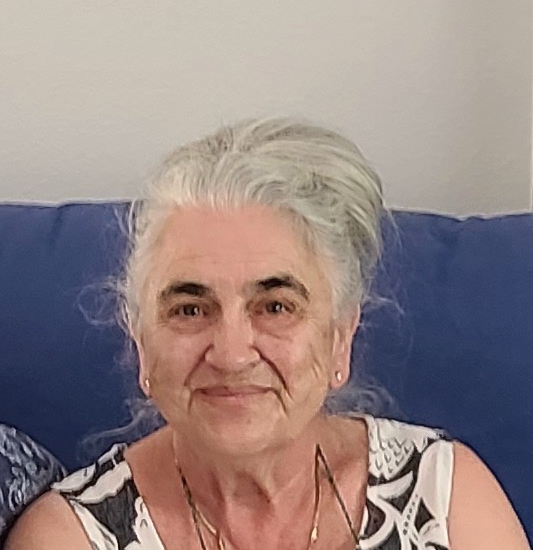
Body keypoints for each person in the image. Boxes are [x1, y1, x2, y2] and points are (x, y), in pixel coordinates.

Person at [6, 118, 529, 549]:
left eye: (276, 307)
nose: (232, 355)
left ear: (340, 337)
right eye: (190, 310)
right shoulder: (68, 536)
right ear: (140, 341)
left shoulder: (444, 494)